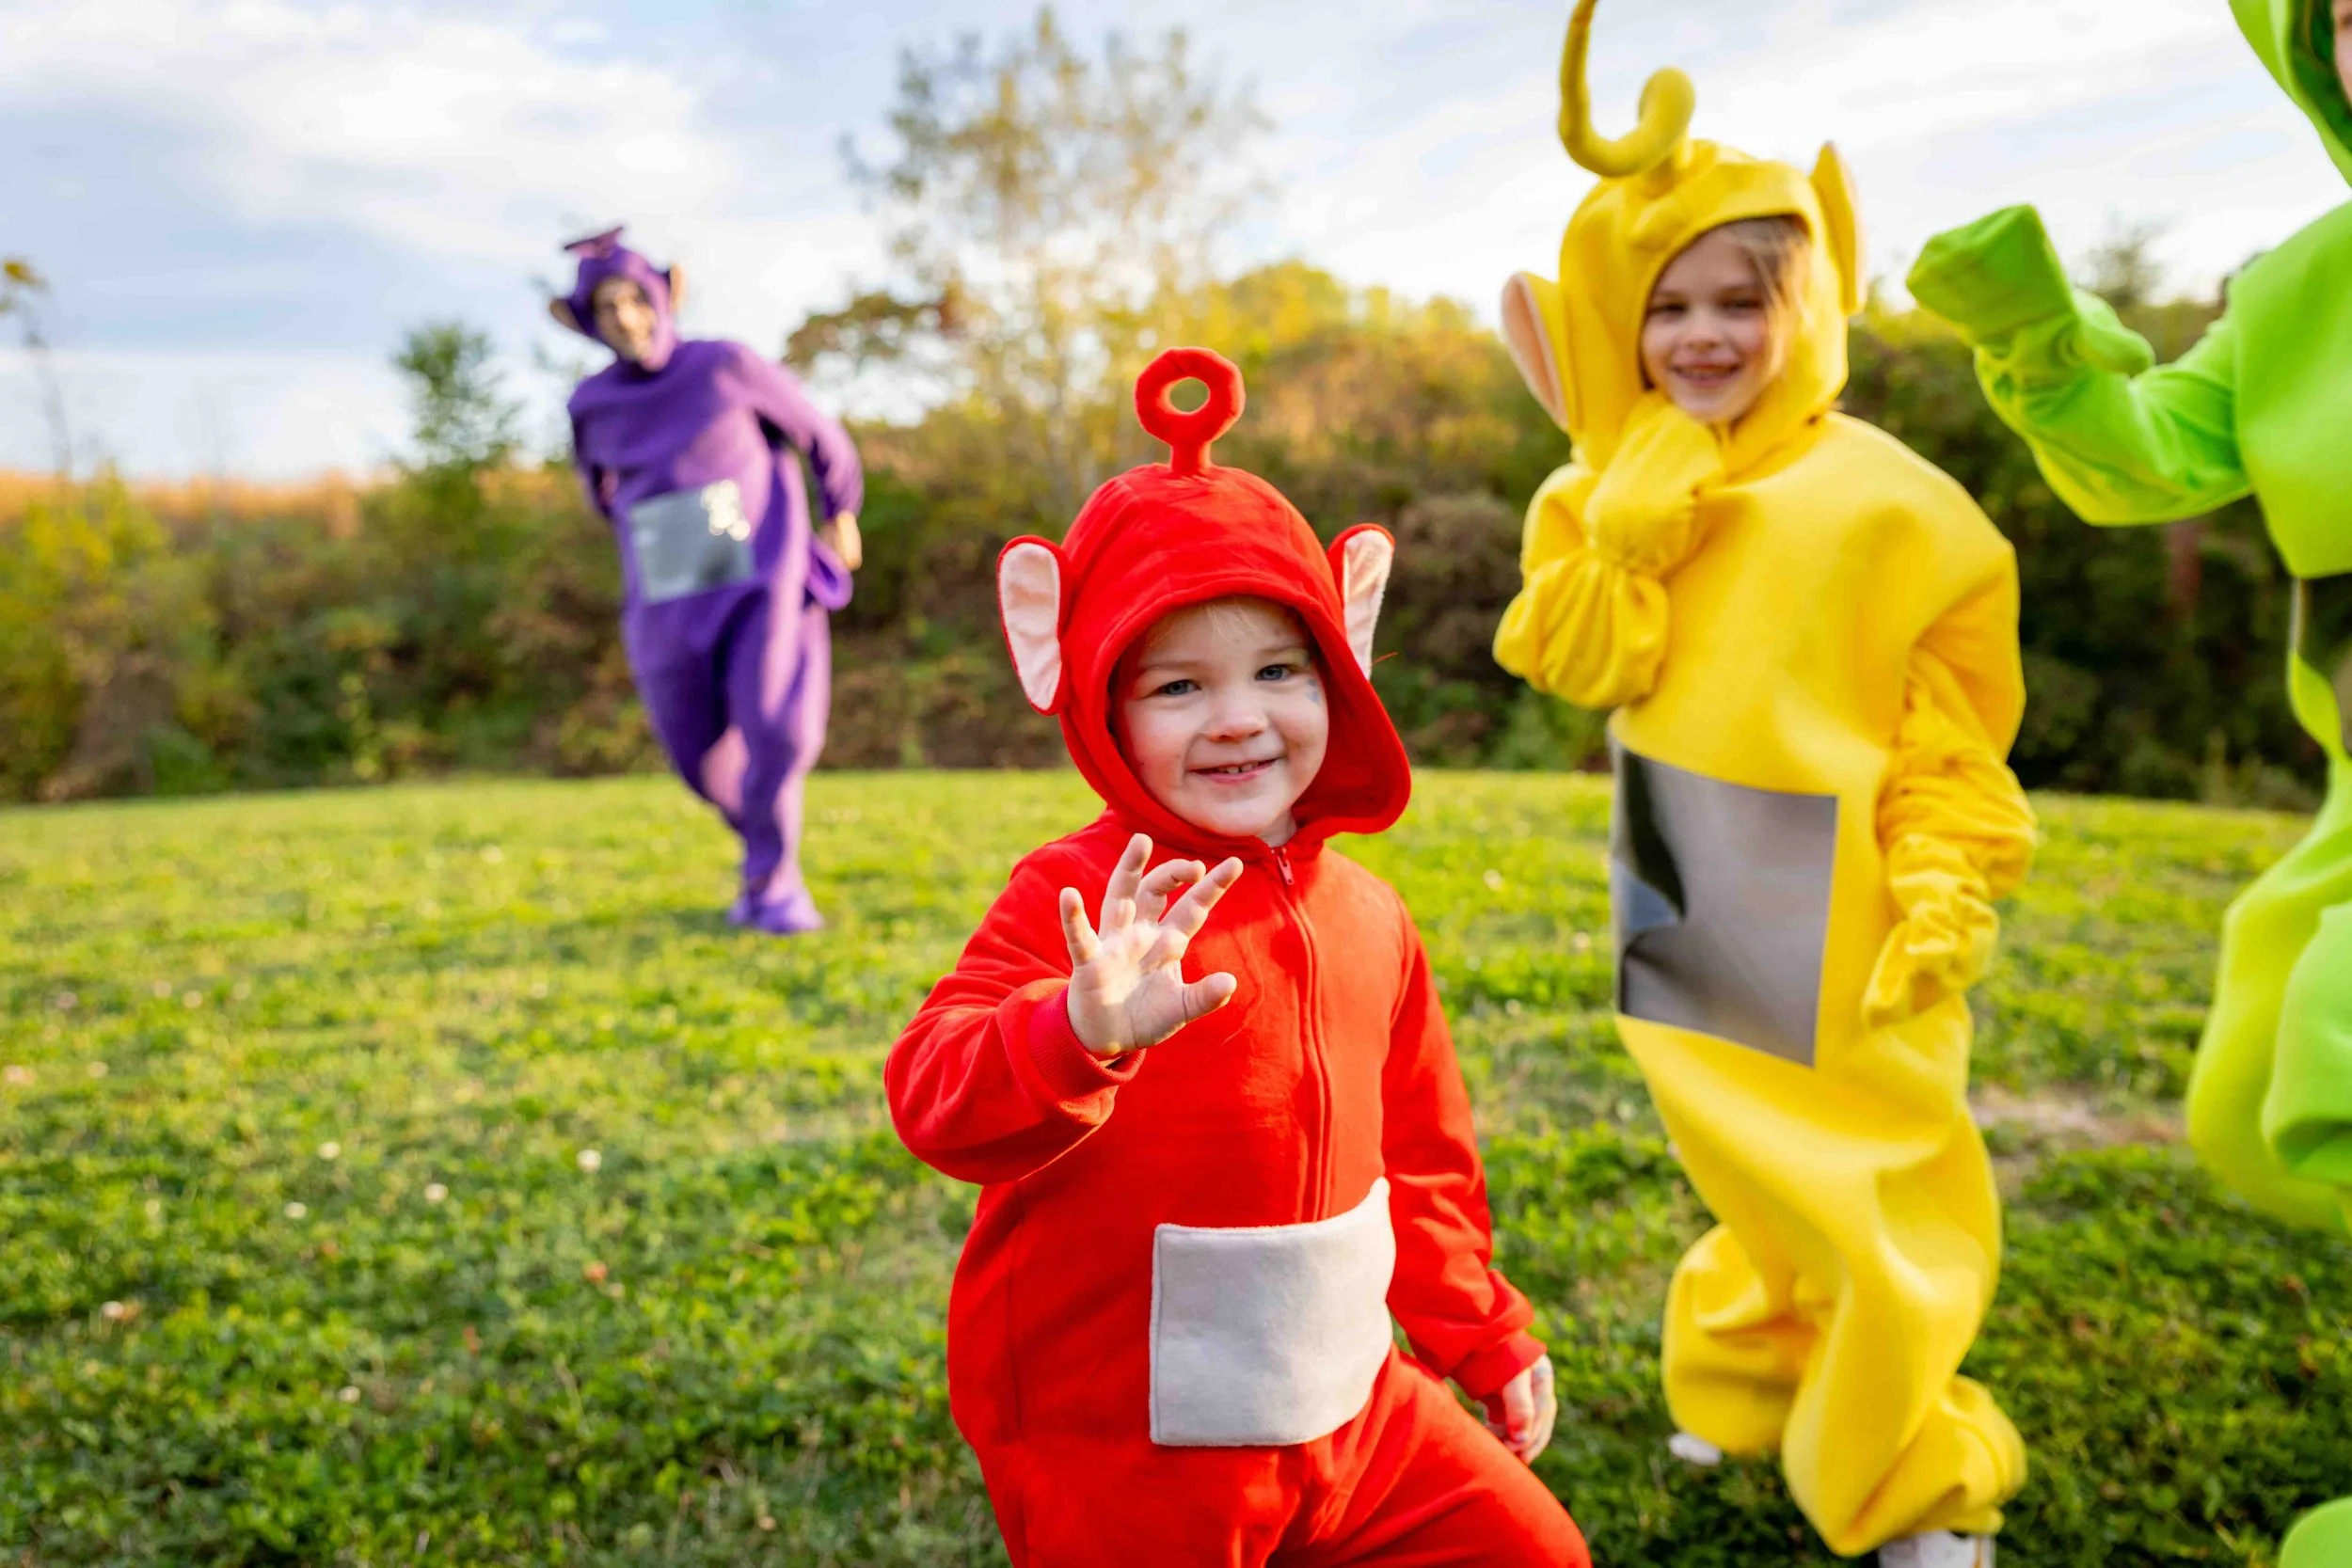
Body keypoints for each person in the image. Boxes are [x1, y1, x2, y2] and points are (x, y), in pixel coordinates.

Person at [885, 347, 1590, 1566]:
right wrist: (1075, 1029)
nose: (1238, 715)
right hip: (1127, 1444)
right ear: (1099, 701)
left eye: (1278, 667)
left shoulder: (1371, 914)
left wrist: (1480, 1332)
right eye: (1176, 683)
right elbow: (932, 1091)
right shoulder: (1079, 895)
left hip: (1355, 1408)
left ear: (1342, 666)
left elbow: (1418, 1161)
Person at [1489, 5, 2038, 1565]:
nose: (1708, 336)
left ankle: (1911, 1484)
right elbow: (1581, 660)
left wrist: (1940, 884)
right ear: (1622, 323)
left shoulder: (1889, 500)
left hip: (1850, 880)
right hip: (1685, 857)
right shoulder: (1608, 483)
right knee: (1744, 1167)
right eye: (1669, 307)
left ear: (1812, 302)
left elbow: (1948, 724)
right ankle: (1744, 1386)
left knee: (1870, 1188)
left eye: (1748, 296)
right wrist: (1622, 518)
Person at [1907, 3, 2352, 1560]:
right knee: (2255, 1102)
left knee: (2340, 1050)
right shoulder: (2306, 290)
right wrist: (2036, 329)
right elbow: (2151, 450)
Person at [548, 228, 863, 934]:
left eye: (635, 298)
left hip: (763, 584)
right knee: (697, 755)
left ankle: (774, 882)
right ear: (591, 324)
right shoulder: (590, 403)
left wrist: (840, 509)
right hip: (666, 599)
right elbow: (598, 490)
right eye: (606, 308)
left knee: (777, 734)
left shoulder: (725, 365)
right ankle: (760, 854)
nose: (626, 317)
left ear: (662, 295)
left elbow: (820, 434)